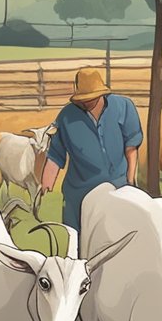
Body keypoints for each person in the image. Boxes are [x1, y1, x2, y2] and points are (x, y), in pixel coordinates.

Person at [39, 67, 143, 232]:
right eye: (83, 98)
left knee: (119, 235)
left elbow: (131, 148)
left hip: (117, 187)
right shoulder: (66, 117)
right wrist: (46, 184)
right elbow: (55, 155)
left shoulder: (124, 107)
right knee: (77, 242)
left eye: (90, 98)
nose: (86, 102)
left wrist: (130, 181)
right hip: (79, 193)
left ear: (101, 93)